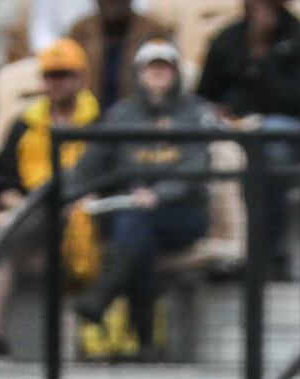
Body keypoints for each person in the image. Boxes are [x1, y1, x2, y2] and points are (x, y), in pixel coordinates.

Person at [78, 40, 216, 361]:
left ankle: (106, 293)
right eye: (151, 67)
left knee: (136, 223)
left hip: (184, 213)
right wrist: (78, 190)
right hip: (131, 210)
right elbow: (89, 163)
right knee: (139, 236)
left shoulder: (196, 112)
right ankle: (146, 340)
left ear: (176, 72)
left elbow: (196, 166)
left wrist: (158, 194)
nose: (158, 73)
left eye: (164, 66)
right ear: (138, 73)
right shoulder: (121, 114)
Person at [0, 42, 97, 357]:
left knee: (72, 239)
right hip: (33, 209)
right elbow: (1, 174)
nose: (56, 83)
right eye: (50, 76)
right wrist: (9, 197)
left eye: (64, 75)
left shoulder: (97, 122)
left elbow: (110, 171)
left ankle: (69, 349)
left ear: (80, 77)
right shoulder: (26, 122)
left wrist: (87, 199)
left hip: (82, 210)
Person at [196, 0, 300, 279]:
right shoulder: (226, 39)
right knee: (212, 154)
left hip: (283, 126)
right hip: (231, 128)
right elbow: (204, 95)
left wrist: (262, 56)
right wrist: (221, 112)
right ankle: (225, 253)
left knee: (270, 152)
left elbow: (297, 99)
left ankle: (270, 253)